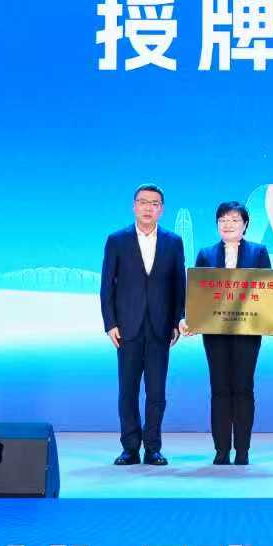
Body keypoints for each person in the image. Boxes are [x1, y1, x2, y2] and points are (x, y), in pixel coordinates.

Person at [100, 184, 185, 466]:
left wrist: (177, 320)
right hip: (127, 327)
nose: (149, 208)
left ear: (162, 209)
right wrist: (110, 323)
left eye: (155, 203)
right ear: (134, 206)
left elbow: (179, 285)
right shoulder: (117, 240)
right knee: (128, 391)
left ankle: (153, 448)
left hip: (161, 327)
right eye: (143, 202)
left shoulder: (173, 242)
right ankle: (130, 448)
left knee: (156, 392)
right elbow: (106, 286)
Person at [181, 201, 272, 465]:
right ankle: (221, 450)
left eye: (234, 220)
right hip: (215, 333)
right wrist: (189, 319)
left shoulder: (258, 252)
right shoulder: (206, 254)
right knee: (219, 388)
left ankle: (242, 450)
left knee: (243, 388)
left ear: (245, 224)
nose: (228, 224)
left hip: (248, 331)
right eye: (222, 220)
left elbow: (269, 291)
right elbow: (196, 292)